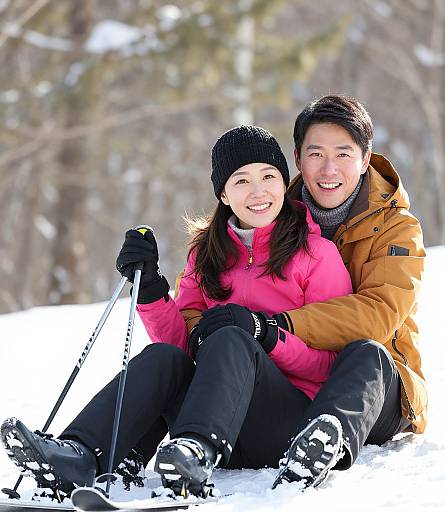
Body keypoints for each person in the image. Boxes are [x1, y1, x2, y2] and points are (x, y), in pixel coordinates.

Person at [0, 125, 353, 499]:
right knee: (163, 357)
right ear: (223, 193)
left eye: (269, 176)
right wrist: (150, 287)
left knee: (234, 338)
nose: (258, 191)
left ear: (284, 183)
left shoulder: (316, 255)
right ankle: (79, 455)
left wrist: (263, 335)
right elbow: (183, 347)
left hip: (283, 422)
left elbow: (332, 364)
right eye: (242, 180)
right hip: (218, 416)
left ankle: (194, 452)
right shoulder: (207, 255)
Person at [189, 95, 428, 488]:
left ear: (366, 158)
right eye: (316, 154)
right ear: (298, 159)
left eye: (343, 153)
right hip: (291, 380)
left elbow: (380, 313)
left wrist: (274, 325)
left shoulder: (398, 228)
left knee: (367, 353)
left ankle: (322, 444)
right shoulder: (272, 206)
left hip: (377, 386)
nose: (328, 168)